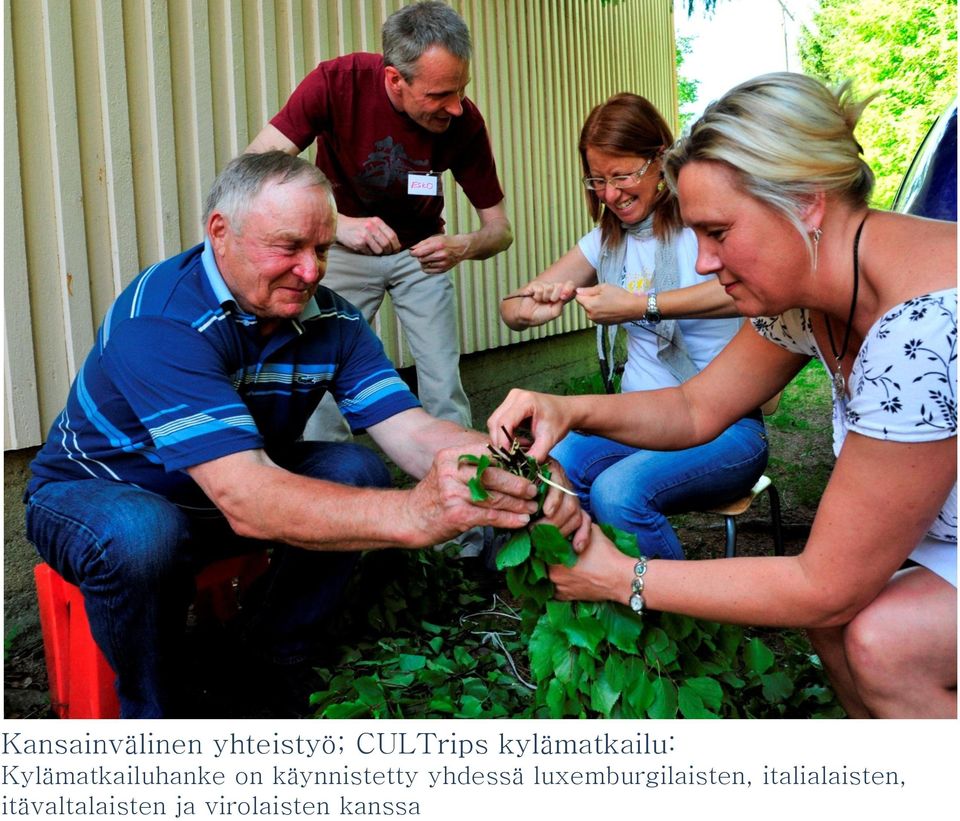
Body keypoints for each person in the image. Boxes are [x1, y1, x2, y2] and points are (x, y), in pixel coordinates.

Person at [23, 152, 580, 719]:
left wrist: (515, 466)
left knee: (355, 469)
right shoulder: (163, 318)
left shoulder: (332, 320)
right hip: (97, 490)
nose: (312, 272)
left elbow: (414, 433)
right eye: (288, 248)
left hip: (223, 489)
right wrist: (415, 514)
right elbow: (247, 499)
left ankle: (267, 654)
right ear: (221, 232)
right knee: (143, 532)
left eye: (322, 248)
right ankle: (153, 711)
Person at [488, 73, 957, 718]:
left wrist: (624, 577)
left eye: (717, 232)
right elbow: (695, 407)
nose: (703, 263)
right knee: (833, 623)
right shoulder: (812, 290)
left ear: (806, 202)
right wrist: (568, 407)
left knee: (882, 639)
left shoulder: (925, 330)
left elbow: (824, 585)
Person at [500, 93, 768, 560]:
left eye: (622, 175)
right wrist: (533, 305)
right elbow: (510, 309)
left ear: (659, 158)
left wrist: (642, 305)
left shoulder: (699, 221)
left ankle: (672, 623)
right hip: (639, 420)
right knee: (553, 467)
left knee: (619, 493)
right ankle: (589, 608)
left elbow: (745, 288)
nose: (610, 194)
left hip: (729, 428)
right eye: (597, 180)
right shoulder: (603, 243)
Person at [246, 0, 512, 440]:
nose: (457, 107)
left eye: (461, 89)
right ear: (394, 78)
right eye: (439, 95)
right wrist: (337, 225)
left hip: (422, 256)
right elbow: (255, 168)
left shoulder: (465, 123)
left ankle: (459, 479)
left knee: (443, 379)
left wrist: (461, 246)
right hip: (344, 250)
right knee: (320, 379)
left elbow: (500, 230)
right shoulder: (336, 83)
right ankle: (328, 478)